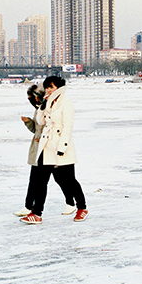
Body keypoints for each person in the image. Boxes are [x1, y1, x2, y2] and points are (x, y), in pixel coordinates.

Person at [20, 76, 88, 224]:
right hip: (46, 147)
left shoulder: (66, 103)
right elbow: (40, 122)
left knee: (69, 181)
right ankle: (37, 213)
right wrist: (42, 106)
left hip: (61, 147)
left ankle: (82, 208)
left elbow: (67, 127)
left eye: (51, 87)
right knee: (40, 182)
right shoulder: (48, 102)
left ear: (59, 87)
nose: (49, 90)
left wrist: (62, 147)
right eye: (47, 88)